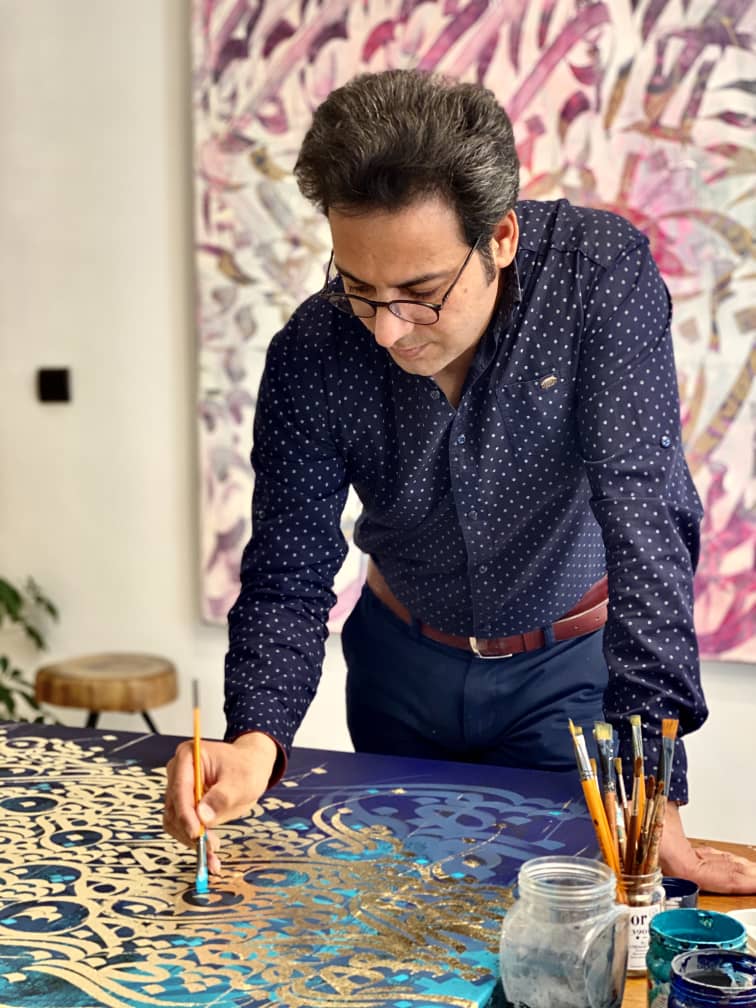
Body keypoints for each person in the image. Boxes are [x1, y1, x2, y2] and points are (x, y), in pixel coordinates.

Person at [164, 69, 756, 893]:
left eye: (420, 293)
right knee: (401, 915)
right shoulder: (313, 349)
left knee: (561, 926)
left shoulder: (596, 279)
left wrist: (651, 789)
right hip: (400, 670)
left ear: (500, 237)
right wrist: (254, 742)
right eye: (358, 288)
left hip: (568, 677)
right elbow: (288, 570)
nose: (387, 330)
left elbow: (646, 511)